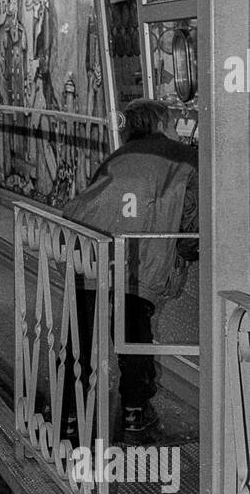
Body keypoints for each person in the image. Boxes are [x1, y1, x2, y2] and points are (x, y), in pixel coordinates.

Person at [62, 98, 198, 437]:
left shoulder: (117, 157)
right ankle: (135, 410)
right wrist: (187, 250)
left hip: (91, 252)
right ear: (160, 124)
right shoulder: (186, 159)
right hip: (141, 261)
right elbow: (193, 217)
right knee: (134, 333)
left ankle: (69, 413)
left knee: (80, 336)